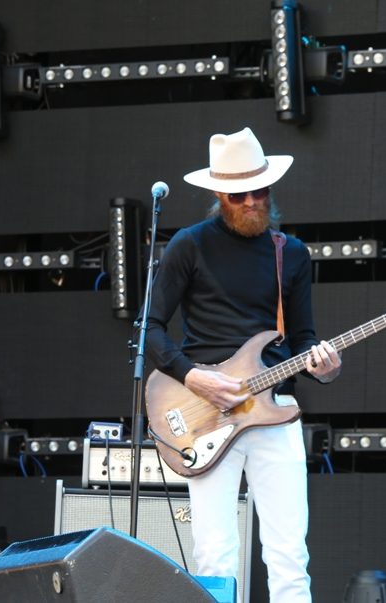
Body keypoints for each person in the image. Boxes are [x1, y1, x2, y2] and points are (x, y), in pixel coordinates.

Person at [144, 127, 341, 603]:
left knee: (290, 554)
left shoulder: (290, 254)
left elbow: (304, 339)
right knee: (214, 553)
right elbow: (148, 329)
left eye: (260, 190)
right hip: (205, 412)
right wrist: (193, 377)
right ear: (219, 194)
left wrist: (325, 366)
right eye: (239, 194)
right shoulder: (189, 246)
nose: (253, 201)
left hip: (275, 409)